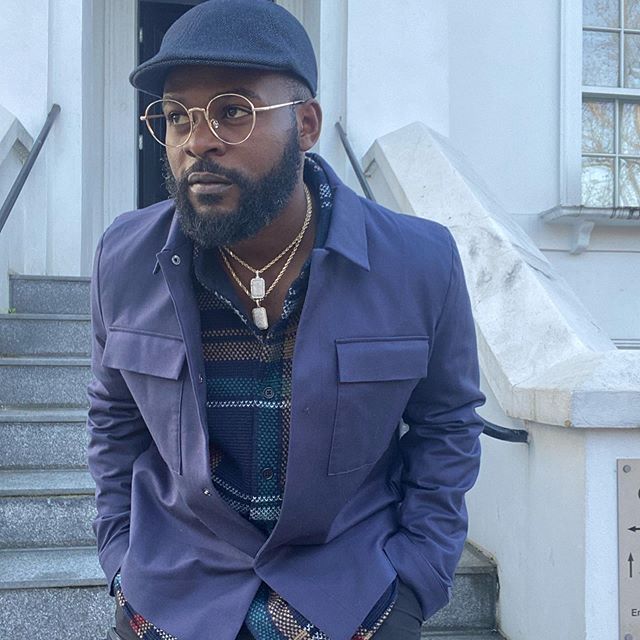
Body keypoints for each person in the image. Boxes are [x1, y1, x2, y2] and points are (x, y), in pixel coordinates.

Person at [86, 1, 486, 639]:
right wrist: (119, 560)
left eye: (233, 111)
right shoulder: (124, 258)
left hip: (352, 594)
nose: (197, 141)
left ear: (306, 124)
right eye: (176, 115)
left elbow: (447, 423)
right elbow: (114, 420)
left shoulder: (418, 261)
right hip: (172, 596)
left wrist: (417, 577)